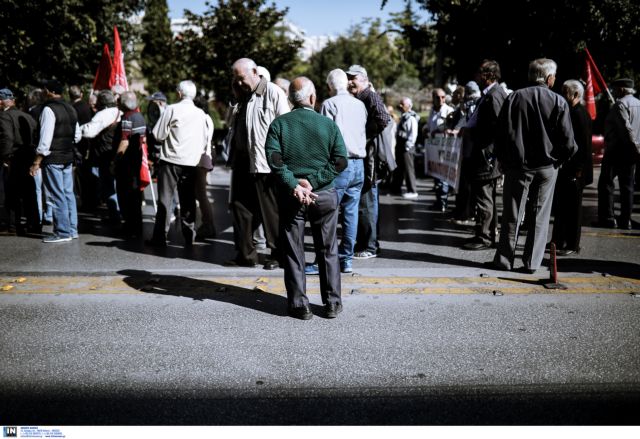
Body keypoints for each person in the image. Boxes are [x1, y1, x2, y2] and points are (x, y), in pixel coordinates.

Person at [265, 76, 348, 320]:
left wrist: (296, 184)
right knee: (328, 249)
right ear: (313, 98)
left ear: (290, 100)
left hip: (292, 197)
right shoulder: (328, 125)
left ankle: (300, 305)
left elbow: (274, 160)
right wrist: (315, 180)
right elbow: (340, 161)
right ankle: (332, 302)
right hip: (324, 194)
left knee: (293, 250)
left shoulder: (279, 124)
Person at [490, 58, 577, 273]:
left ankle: (504, 259)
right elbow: (568, 142)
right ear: (549, 78)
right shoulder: (558, 101)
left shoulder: (514, 98)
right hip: (547, 167)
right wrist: (559, 160)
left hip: (517, 166)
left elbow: (500, 135)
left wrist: (504, 160)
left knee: (512, 214)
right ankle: (531, 263)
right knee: (540, 216)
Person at [226, 58, 290, 269]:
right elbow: (231, 126)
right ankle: (246, 255)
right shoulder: (242, 96)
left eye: (241, 78)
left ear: (254, 72)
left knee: (270, 212)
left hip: (265, 164)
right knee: (240, 208)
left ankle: (277, 254)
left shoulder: (272, 92)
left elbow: (286, 126)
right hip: (243, 162)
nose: (239, 82)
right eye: (236, 79)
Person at [314, 68, 367, 274]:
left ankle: (325, 260)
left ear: (329, 86)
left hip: (339, 163)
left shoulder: (329, 104)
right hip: (359, 164)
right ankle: (346, 260)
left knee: (329, 212)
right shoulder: (360, 105)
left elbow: (324, 137)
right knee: (351, 212)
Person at [148, 80, 210, 247]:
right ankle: (189, 236)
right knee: (188, 200)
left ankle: (160, 237)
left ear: (179, 93)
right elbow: (205, 139)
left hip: (170, 161)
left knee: (165, 201)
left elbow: (158, 134)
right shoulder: (201, 114)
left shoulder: (172, 109)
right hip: (191, 162)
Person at [346, 64, 392, 259]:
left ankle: (369, 247)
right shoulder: (360, 97)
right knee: (367, 202)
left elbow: (383, 118)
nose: (349, 81)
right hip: (366, 158)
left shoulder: (369, 96)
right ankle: (369, 243)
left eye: (353, 77)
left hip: (370, 160)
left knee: (367, 202)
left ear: (364, 79)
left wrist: (363, 136)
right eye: (348, 77)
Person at [462, 60, 508, 250]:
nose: (477, 77)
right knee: (485, 195)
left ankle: (485, 237)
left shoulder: (494, 96)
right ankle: (485, 233)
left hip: (486, 155)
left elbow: (498, 126)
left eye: (480, 74)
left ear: (488, 75)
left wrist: (476, 135)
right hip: (484, 153)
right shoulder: (490, 95)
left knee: (484, 197)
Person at [29, 79, 82, 243]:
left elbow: (45, 140)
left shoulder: (48, 109)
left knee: (56, 194)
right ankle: (72, 229)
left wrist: (36, 161)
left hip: (53, 158)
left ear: (48, 91)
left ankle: (62, 232)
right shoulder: (71, 108)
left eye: (44, 89)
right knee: (68, 194)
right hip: (67, 156)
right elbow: (77, 135)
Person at [550, 80, 593, 255]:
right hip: (567, 168)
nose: (562, 95)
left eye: (565, 92)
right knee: (561, 206)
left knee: (573, 208)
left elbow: (583, 145)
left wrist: (579, 170)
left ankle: (571, 244)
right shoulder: (571, 111)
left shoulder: (579, 114)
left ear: (576, 94)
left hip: (575, 169)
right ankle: (558, 240)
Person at [595, 78, 640, 230]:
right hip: (632, 151)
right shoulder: (638, 104)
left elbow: (626, 129)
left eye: (614, 89)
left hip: (618, 150)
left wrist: (632, 146)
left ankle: (608, 218)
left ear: (621, 89)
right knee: (628, 186)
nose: (612, 91)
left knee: (606, 184)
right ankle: (625, 219)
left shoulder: (620, 104)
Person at [0, 88, 39, 234]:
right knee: (29, 192)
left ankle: (12, 226)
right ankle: (34, 224)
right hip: (28, 156)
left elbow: (7, 138)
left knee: (11, 193)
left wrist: (6, 157)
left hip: (15, 158)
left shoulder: (4, 116)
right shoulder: (27, 116)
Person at [80, 90, 121, 222]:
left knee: (108, 186)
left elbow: (89, 133)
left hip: (105, 155)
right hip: (119, 155)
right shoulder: (120, 112)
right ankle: (119, 213)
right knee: (117, 186)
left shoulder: (102, 114)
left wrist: (79, 129)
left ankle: (115, 215)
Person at [112, 91, 147, 238]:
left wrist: (115, 160)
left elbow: (125, 141)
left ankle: (129, 226)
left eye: (119, 100)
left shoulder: (127, 118)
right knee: (135, 196)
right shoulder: (139, 116)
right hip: (136, 162)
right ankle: (136, 227)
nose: (117, 102)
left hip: (126, 165)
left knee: (126, 195)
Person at [450, 80, 481, 224]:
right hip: (467, 149)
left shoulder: (476, 104)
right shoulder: (471, 105)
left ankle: (466, 213)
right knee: (464, 183)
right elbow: (464, 122)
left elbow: (469, 124)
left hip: (471, 150)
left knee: (467, 183)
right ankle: (463, 211)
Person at [424, 87, 454, 211]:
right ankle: (438, 200)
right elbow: (429, 125)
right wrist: (425, 129)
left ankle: (443, 202)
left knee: (443, 176)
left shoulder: (449, 111)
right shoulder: (432, 111)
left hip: (444, 147)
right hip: (433, 149)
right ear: (433, 98)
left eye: (443, 97)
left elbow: (451, 128)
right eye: (437, 97)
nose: (441, 100)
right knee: (436, 176)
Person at [192, 94, 216, 241]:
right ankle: (207, 224)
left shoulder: (202, 118)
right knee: (200, 193)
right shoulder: (207, 118)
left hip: (201, 158)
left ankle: (208, 225)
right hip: (204, 157)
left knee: (201, 194)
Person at [391, 97, 420, 199]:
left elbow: (413, 134)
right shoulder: (403, 117)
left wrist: (407, 146)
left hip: (406, 147)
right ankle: (396, 188)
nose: (400, 106)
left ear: (408, 106)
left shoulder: (411, 118)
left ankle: (412, 190)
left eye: (402, 104)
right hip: (400, 146)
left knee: (409, 169)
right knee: (399, 169)